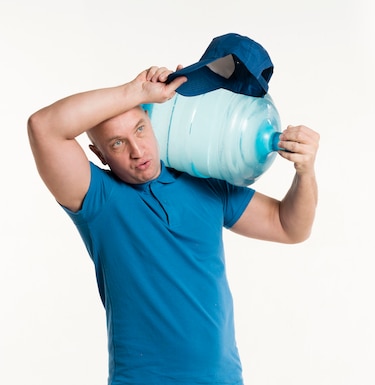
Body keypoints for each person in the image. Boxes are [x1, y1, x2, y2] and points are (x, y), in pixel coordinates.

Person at [27, 65, 319, 385]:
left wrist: (305, 172)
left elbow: (289, 226)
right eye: (117, 144)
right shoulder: (98, 199)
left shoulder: (204, 183)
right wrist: (135, 92)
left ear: (152, 123)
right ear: (99, 155)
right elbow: (43, 127)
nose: (138, 151)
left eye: (139, 129)